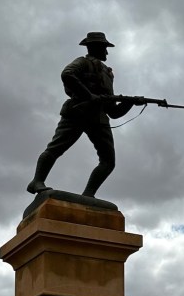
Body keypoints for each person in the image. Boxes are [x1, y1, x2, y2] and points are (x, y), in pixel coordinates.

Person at [27, 31, 137, 199]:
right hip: (77, 112)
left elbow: (113, 112)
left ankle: (88, 195)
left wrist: (129, 103)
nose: (107, 52)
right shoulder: (82, 62)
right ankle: (37, 181)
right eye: (104, 48)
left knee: (108, 161)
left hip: (98, 118)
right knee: (55, 148)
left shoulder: (108, 74)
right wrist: (89, 95)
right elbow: (67, 74)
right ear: (95, 48)